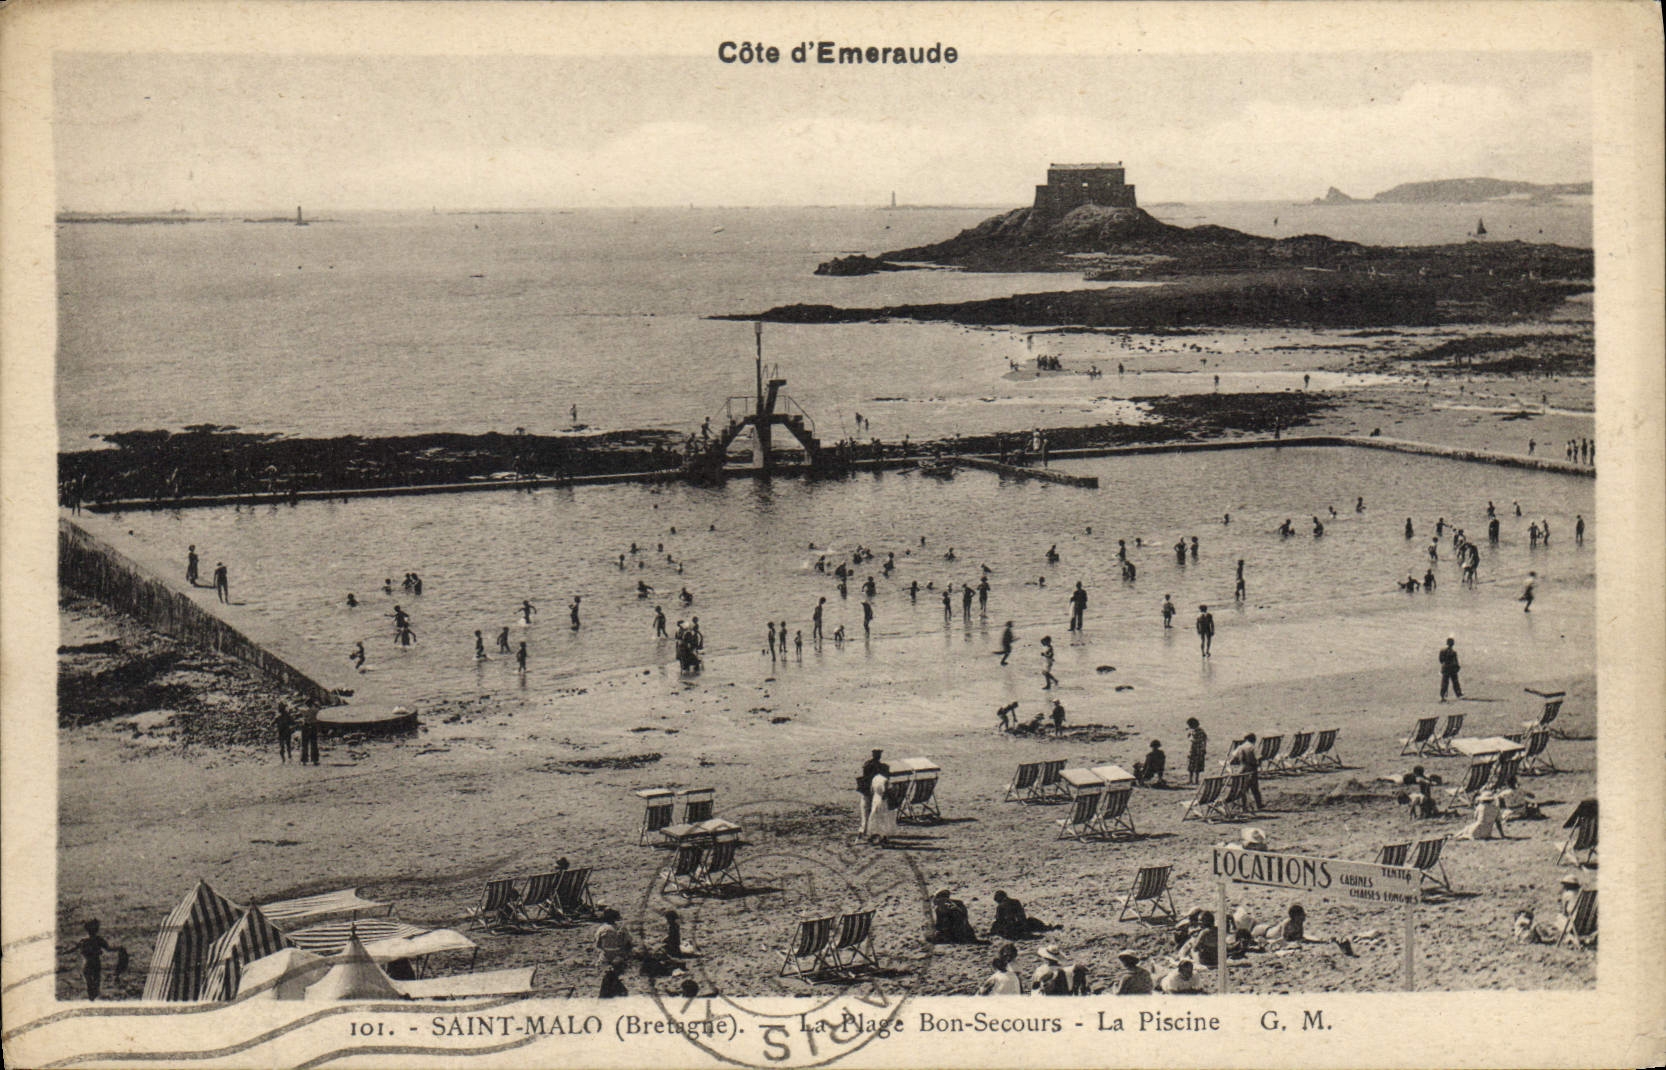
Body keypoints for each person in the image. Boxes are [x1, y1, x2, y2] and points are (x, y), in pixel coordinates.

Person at [77, 919, 124, 1000]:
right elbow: (109, 948)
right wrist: (119, 948)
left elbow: (80, 951)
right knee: (95, 987)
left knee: (90, 987)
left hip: (87, 965)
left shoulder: (83, 941)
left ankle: (91, 1000)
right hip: (96, 965)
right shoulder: (98, 939)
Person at [987, 890, 1052, 940]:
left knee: (996, 925)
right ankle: (1046, 928)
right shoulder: (1016, 902)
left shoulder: (1000, 907)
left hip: (1011, 928)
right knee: (1031, 920)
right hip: (1022, 925)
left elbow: (999, 920)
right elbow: (1022, 916)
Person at [1228, 733, 1263, 810]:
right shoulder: (1253, 747)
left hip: (1242, 769)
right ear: (1253, 740)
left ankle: (1244, 806)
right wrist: (1258, 765)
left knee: (1243, 788)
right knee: (1255, 788)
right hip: (1252, 769)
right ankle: (1259, 805)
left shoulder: (1240, 747)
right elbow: (1259, 757)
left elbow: (1233, 758)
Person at [867, 764, 898, 846]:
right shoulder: (885, 780)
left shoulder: (875, 778)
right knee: (884, 819)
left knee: (874, 817)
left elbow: (871, 790)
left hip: (875, 798)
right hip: (883, 801)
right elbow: (886, 792)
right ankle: (883, 837)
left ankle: (872, 836)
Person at [857, 749, 884, 838]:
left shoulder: (868, 764)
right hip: (873, 791)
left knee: (866, 811)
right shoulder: (879, 766)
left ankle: (864, 830)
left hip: (867, 790)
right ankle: (869, 831)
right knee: (871, 811)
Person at [1185, 718, 1208, 785]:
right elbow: (1205, 740)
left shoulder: (1196, 732)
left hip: (1194, 751)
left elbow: (1193, 740)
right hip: (1199, 751)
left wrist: (1190, 737)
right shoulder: (1201, 731)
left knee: (1192, 766)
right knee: (1196, 766)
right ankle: (1195, 780)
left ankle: (1191, 780)